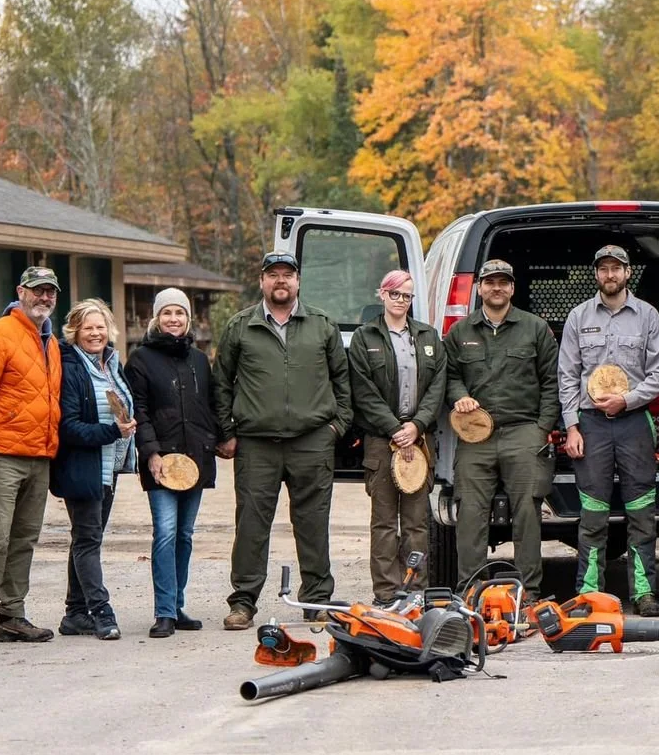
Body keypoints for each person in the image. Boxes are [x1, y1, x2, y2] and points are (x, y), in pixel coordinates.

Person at [213, 252, 352, 628]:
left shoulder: (322, 325)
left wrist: (336, 427)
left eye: (287, 275)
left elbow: (344, 382)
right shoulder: (241, 326)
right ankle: (243, 603)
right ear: (261, 281)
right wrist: (227, 432)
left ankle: (317, 598)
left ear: (298, 282)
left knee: (313, 522)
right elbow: (221, 382)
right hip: (257, 444)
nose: (280, 282)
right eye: (273, 275)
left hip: (312, 441)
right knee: (251, 526)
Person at [559, 246, 659, 616]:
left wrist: (628, 400)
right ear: (596, 274)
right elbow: (568, 376)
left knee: (642, 511)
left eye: (616, 269)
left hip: (635, 422)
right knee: (593, 514)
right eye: (603, 269)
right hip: (590, 425)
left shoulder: (648, 316)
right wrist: (572, 425)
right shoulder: (578, 317)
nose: (610, 275)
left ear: (628, 273)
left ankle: (644, 592)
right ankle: (590, 595)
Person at [0, 266, 65, 648]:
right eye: (38, 291)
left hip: (40, 456)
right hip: (1, 456)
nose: (44, 298)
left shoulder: (50, 341)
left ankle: (12, 616)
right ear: (21, 291)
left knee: (24, 538)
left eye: (50, 292)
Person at [445, 260, 560, 598]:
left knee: (527, 512)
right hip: (475, 437)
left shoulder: (535, 328)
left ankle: (529, 592)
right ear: (479, 288)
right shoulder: (460, 332)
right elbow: (449, 377)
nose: (497, 288)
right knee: (470, 513)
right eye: (490, 282)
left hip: (523, 432)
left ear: (512, 288)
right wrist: (460, 397)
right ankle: (471, 590)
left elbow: (552, 382)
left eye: (503, 283)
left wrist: (542, 430)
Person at [348, 269, 448, 605]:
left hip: (419, 439)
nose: (400, 301)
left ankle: (415, 591)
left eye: (406, 295)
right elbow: (363, 390)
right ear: (382, 294)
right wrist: (394, 428)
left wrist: (417, 425)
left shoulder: (428, 337)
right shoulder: (365, 337)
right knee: (384, 523)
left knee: (417, 523)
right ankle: (386, 593)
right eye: (395, 294)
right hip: (382, 440)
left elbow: (438, 387)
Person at [126, 288, 219, 638]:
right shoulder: (141, 359)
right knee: (165, 533)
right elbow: (140, 410)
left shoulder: (198, 359)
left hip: (195, 458)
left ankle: (178, 605)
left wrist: (218, 439)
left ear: (188, 318)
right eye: (167, 313)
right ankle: (163, 611)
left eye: (180, 313)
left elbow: (208, 405)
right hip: (162, 460)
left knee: (185, 534)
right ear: (156, 318)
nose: (174, 319)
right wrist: (151, 452)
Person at [49, 299, 137, 641]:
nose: (95, 333)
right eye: (88, 328)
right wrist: (114, 431)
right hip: (82, 467)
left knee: (85, 539)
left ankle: (74, 614)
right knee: (88, 540)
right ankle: (101, 611)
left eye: (100, 327)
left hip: (109, 467)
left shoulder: (112, 363)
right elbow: (68, 427)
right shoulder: (72, 368)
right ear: (74, 332)